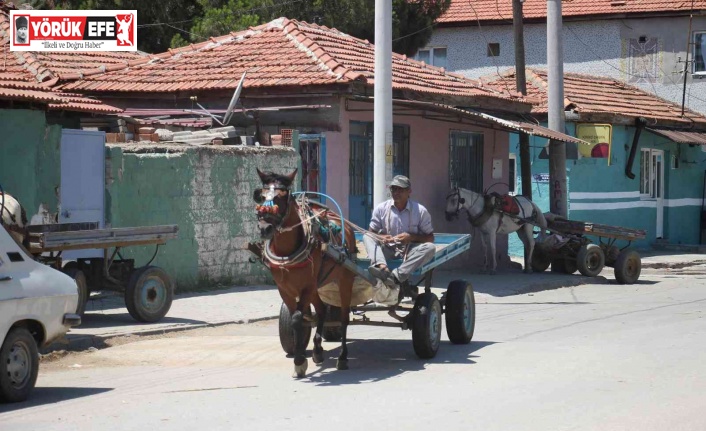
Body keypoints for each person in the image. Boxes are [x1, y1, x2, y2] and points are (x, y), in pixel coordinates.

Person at [363, 175, 435, 287]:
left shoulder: (420, 211)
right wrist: (381, 237)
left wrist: (411, 237)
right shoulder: (381, 208)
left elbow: (430, 238)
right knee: (367, 236)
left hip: (410, 250)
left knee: (430, 248)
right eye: (393, 189)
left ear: (409, 191)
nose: (396, 192)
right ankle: (382, 267)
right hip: (387, 248)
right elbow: (371, 232)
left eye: (400, 189)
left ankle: (396, 276)